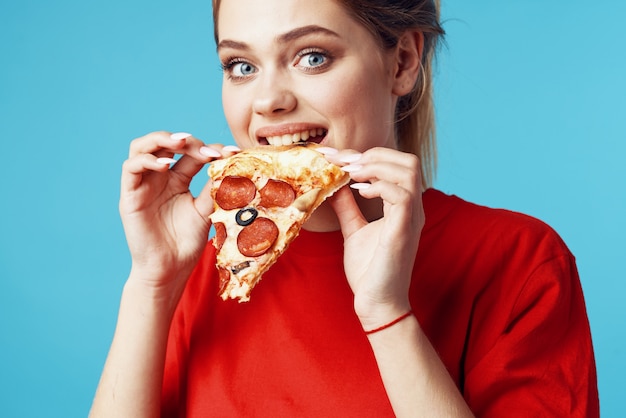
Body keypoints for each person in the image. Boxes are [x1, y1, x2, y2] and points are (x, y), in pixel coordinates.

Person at [90, 0, 599, 416]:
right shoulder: (209, 265)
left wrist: (387, 314)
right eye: (240, 66)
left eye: (312, 56)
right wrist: (152, 282)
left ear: (401, 62)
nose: (268, 101)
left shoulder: (519, 261)